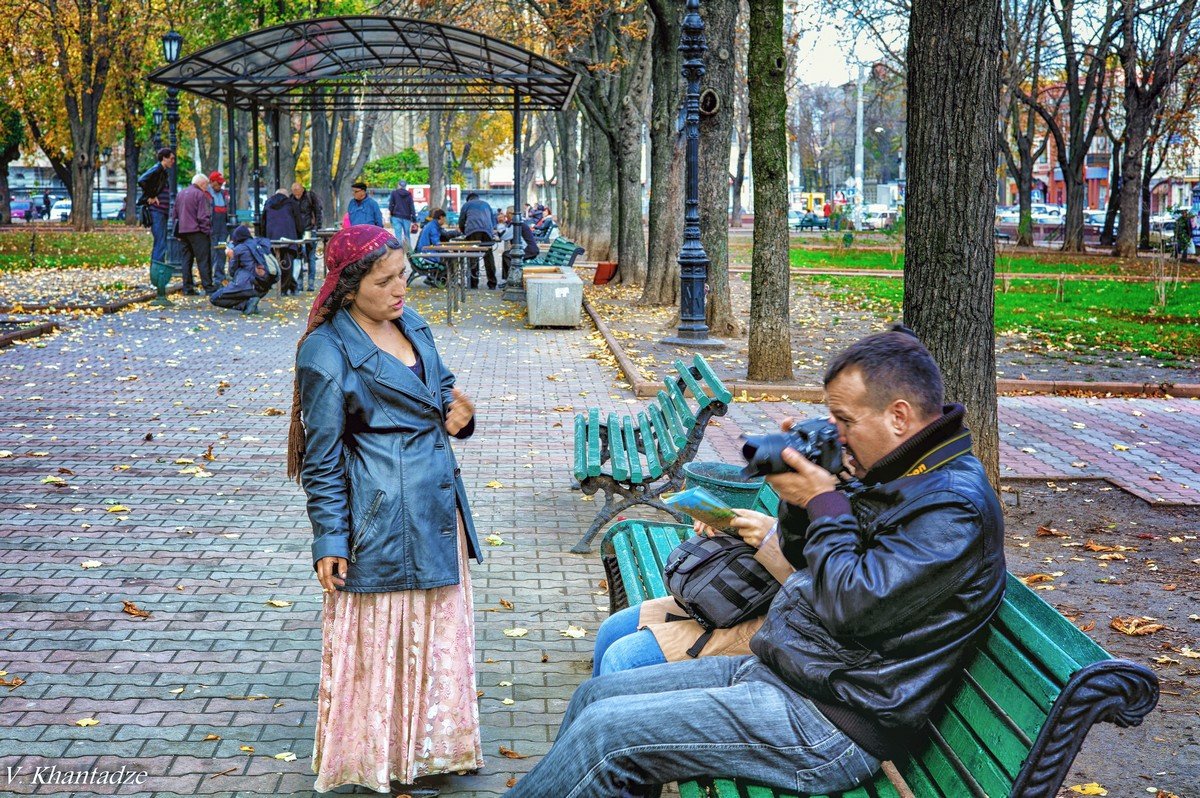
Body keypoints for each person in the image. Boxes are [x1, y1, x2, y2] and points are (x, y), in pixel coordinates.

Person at [503, 328, 1006, 798]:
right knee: (596, 698)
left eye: (846, 422)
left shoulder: (951, 506)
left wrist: (824, 502)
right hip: (789, 674)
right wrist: (796, 492)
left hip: (833, 723)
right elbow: (796, 556)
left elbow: (853, 606)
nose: (840, 434)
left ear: (899, 417)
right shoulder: (894, 470)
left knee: (607, 735)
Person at [288, 225, 484, 797]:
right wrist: (330, 539)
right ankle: (383, 760)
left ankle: (429, 748)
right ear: (349, 288)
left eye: (403, 273)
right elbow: (321, 459)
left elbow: (443, 391)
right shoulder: (327, 351)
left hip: (436, 510)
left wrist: (461, 414)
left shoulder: (410, 322)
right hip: (381, 521)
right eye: (386, 279)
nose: (402, 287)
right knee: (387, 648)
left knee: (433, 636)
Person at [210, 225, 273, 315]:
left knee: (214, 298)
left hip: (249, 286)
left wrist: (231, 256)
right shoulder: (259, 244)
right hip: (264, 287)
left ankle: (246, 304)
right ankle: (251, 303)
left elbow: (232, 273)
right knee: (238, 288)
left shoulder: (240, 249)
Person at [172, 173, 215, 296]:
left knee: (186, 260)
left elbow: (174, 214)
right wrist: (207, 231)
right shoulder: (200, 194)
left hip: (183, 232)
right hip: (197, 232)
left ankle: (187, 288)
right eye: (206, 185)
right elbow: (203, 216)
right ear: (201, 183)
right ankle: (208, 287)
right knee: (203, 260)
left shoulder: (180, 194)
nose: (206, 187)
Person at [137, 148, 176, 274]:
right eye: (171, 158)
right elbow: (142, 180)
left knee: (161, 242)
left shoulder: (163, 172)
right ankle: (157, 274)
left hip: (161, 211)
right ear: (164, 158)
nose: (173, 161)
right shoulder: (157, 169)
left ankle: (159, 272)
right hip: (157, 211)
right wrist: (151, 196)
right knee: (160, 243)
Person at [264, 188, 303, 295]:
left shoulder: (268, 203)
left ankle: (292, 287)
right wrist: (299, 236)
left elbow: (263, 221)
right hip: (289, 236)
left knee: (280, 262)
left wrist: (264, 237)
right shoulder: (291, 203)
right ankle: (283, 289)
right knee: (287, 262)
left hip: (272, 237)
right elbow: (298, 221)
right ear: (286, 195)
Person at [457, 192, 497, 289]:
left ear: (469, 199)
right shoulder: (486, 204)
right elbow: (493, 221)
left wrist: (463, 232)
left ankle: (473, 283)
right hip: (487, 232)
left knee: (473, 256)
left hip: (472, 231)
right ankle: (492, 283)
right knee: (488, 256)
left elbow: (461, 221)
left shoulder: (466, 205)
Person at [291, 182, 324, 291]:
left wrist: (318, 227)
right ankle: (299, 284)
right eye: (294, 192)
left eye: (297, 192)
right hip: (297, 232)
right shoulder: (291, 199)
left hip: (310, 230)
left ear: (302, 189)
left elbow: (318, 211)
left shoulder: (310, 196)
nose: (296, 195)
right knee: (299, 256)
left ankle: (311, 283)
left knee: (310, 256)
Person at [388, 179, 417, 250]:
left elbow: (391, 204)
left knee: (398, 234)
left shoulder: (394, 193)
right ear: (405, 186)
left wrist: (391, 212)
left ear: (399, 185)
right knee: (407, 234)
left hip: (396, 216)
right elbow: (411, 206)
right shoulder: (409, 194)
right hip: (407, 217)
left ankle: (399, 250)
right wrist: (414, 217)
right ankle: (409, 250)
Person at [207, 171, 230, 252]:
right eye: (218, 183)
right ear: (211, 182)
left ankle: (220, 264)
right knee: (212, 249)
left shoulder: (224, 194)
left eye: (221, 184)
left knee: (222, 248)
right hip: (212, 228)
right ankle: (212, 265)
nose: (220, 186)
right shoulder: (206, 194)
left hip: (223, 229)